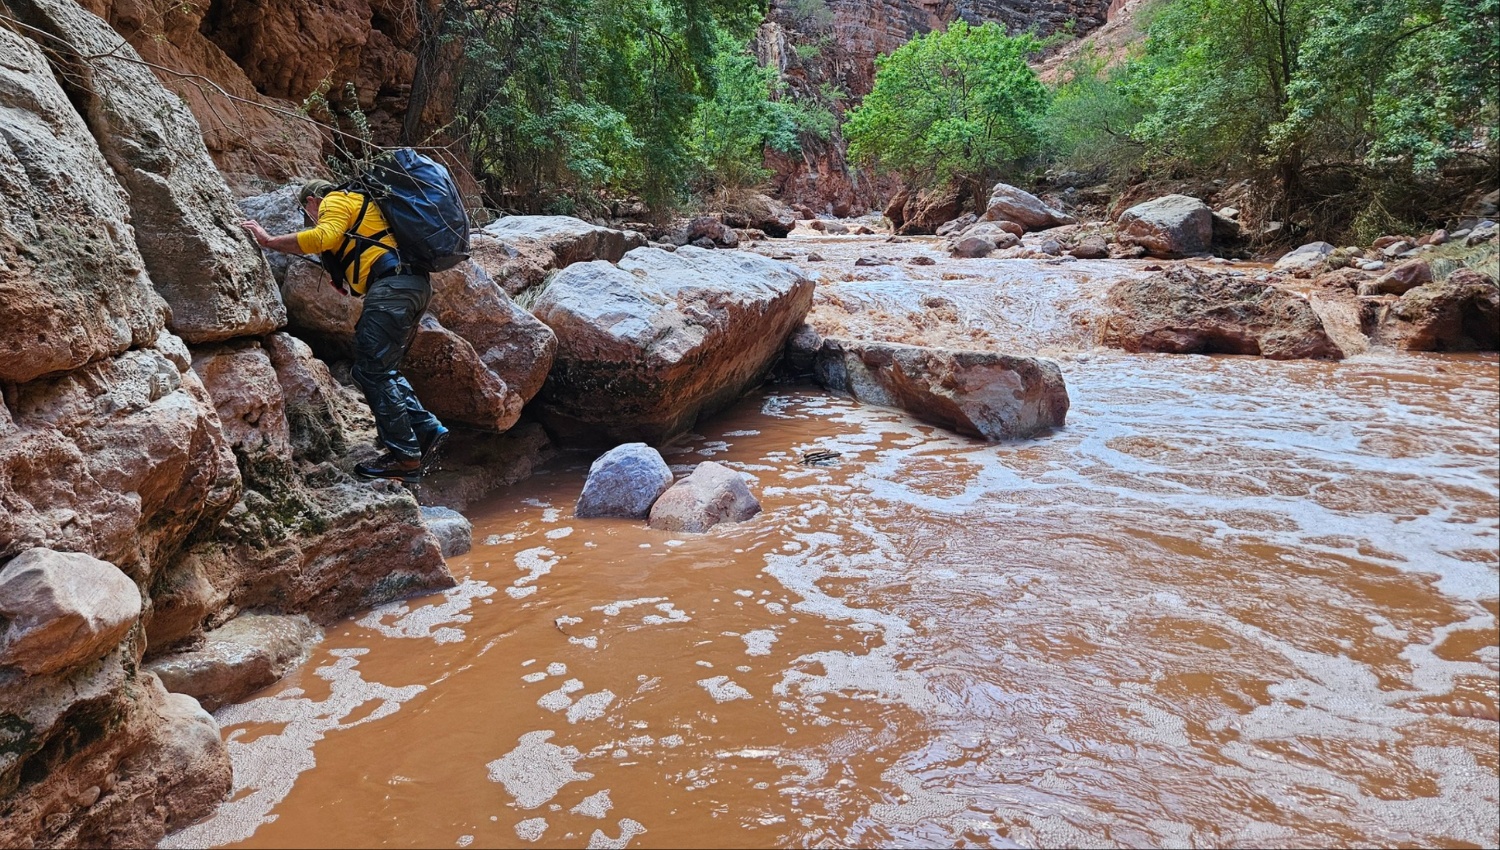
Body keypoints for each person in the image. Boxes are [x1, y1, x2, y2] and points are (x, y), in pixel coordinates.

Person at [241, 179, 448, 483]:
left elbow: (323, 236)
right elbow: (350, 246)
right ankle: (425, 430)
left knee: (370, 371)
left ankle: (405, 457)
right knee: (383, 368)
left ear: (312, 200)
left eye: (307, 211)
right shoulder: (361, 207)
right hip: (412, 285)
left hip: (393, 287)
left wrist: (268, 240)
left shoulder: (336, 200)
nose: (311, 217)